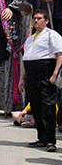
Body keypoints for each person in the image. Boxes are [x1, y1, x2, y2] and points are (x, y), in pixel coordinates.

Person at [19, 10, 62, 153]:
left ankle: (50, 140)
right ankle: (42, 138)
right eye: (34, 19)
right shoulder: (30, 39)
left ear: (46, 21)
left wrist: (55, 74)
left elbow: (59, 55)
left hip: (46, 75)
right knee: (36, 107)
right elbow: (26, 60)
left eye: (39, 18)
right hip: (31, 77)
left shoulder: (52, 35)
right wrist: (22, 78)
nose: (36, 21)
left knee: (48, 108)